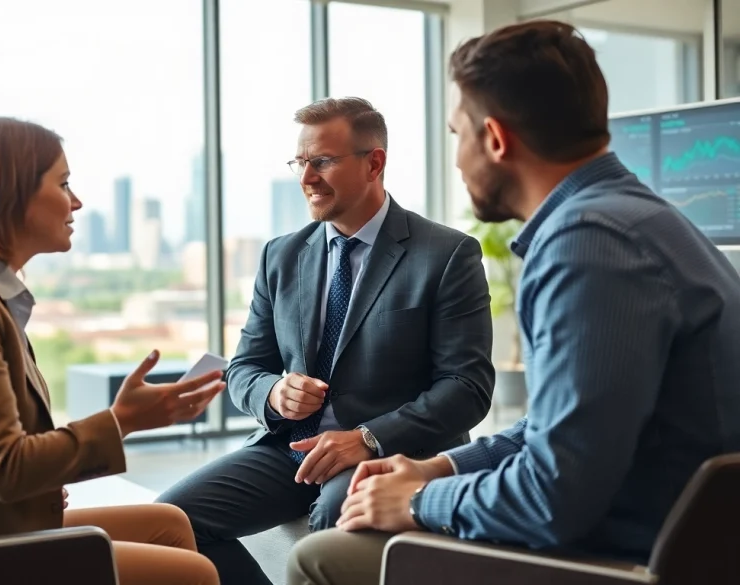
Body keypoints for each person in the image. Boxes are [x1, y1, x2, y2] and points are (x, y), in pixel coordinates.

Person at [287, 19, 740, 585]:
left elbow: (553, 496)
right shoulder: (638, 216)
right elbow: (555, 428)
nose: (455, 160)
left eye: (457, 135)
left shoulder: (587, 244)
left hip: (627, 558)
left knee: (317, 558)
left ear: (495, 140)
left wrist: (422, 499)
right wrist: (441, 464)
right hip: (654, 526)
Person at [0, 115, 225, 585]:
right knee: (193, 574)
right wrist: (123, 420)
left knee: (169, 524)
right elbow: (6, 468)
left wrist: (45, 483)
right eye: (63, 183)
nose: (77, 201)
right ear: (10, 195)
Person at [157, 97, 496, 585]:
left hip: (390, 450)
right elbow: (244, 368)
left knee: (332, 521)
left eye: (322, 162)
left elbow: (467, 388)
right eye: (300, 162)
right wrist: (273, 392)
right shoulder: (282, 255)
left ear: (374, 162)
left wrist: (366, 438)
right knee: (170, 522)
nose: (305, 178)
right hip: (290, 450)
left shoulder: (446, 255)